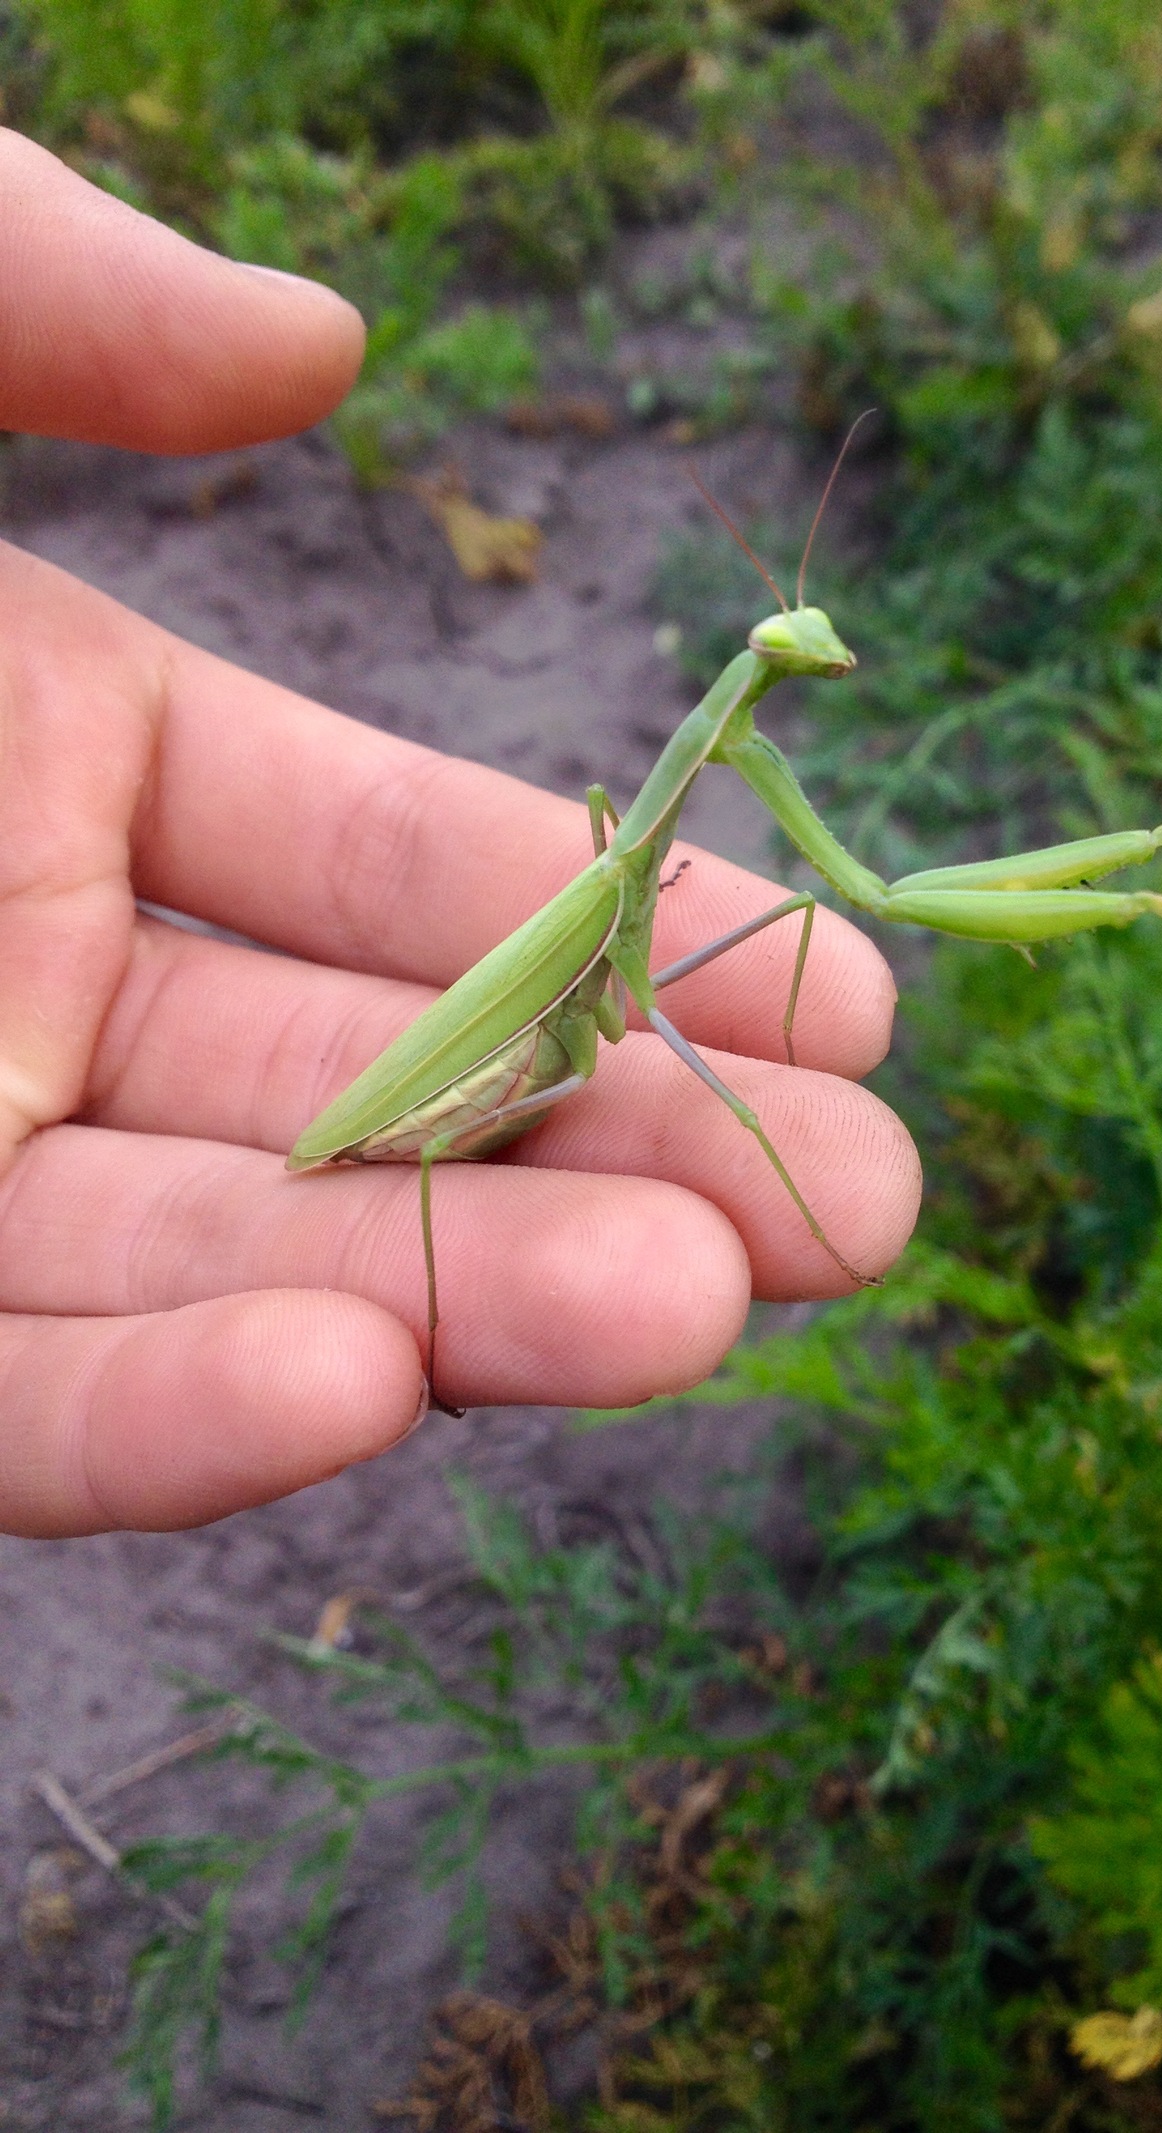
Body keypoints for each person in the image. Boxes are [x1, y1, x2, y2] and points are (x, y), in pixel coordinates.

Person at [0, 129, 920, 1540]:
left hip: (565, 962)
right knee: (728, 1039)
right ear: (757, 676)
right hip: (424, 1100)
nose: (817, 656)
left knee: (795, 917)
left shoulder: (637, 829)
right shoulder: (629, 841)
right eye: (795, 654)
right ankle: (753, 1192)